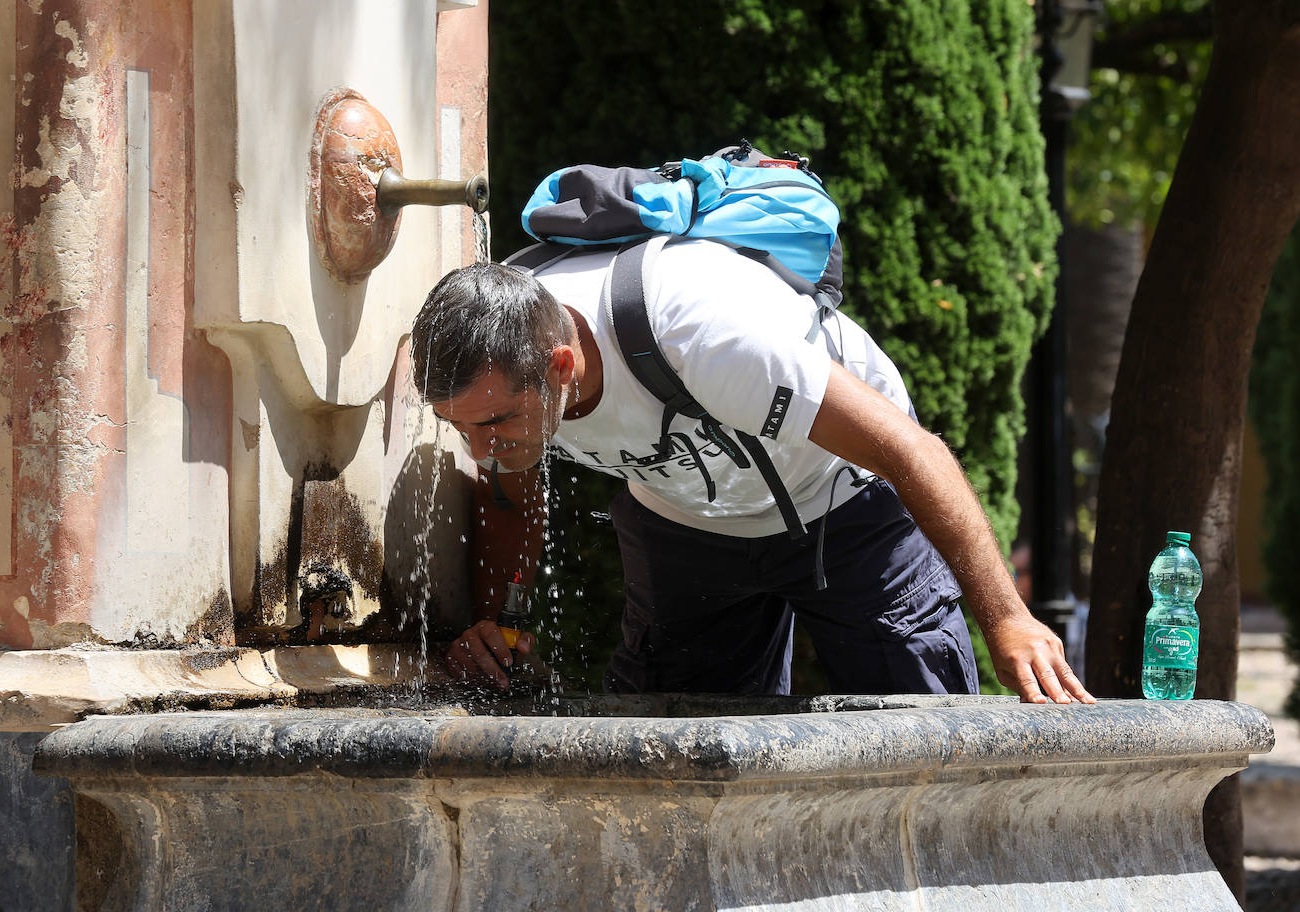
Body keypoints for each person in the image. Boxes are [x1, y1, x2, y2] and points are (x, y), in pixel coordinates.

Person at [410, 239, 1094, 704]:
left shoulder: (705, 337)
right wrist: (505, 623)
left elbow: (913, 451)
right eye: (459, 427)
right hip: (684, 522)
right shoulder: (504, 362)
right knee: (662, 756)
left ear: (562, 366)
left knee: (924, 731)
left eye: (493, 424)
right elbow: (513, 487)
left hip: (840, 498)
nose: (479, 449)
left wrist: (1007, 617)